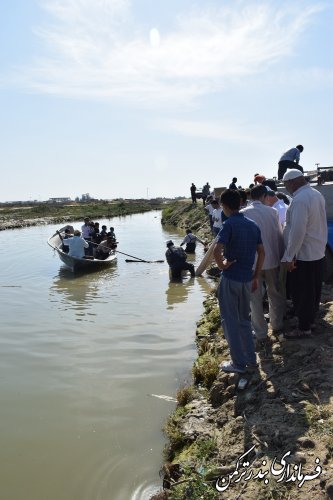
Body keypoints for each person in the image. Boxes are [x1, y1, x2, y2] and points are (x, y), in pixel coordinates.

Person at [213, 189, 265, 373]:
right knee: (244, 321)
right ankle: (251, 361)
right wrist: (256, 276)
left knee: (230, 322)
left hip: (231, 279)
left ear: (224, 206)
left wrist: (222, 266)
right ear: (240, 203)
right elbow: (262, 252)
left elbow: (216, 250)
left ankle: (238, 364)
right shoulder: (252, 225)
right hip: (246, 279)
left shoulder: (229, 224)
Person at [281, 169, 327, 339]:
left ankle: (304, 327)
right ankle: (310, 320)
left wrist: (289, 255)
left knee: (302, 292)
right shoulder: (316, 194)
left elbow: (298, 231)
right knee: (314, 290)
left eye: (286, 184)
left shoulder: (300, 200)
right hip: (317, 251)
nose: (286, 188)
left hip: (304, 253)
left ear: (292, 182)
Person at [241, 184, 285, 344]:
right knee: (275, 294)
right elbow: (279, 235)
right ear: (264, 196)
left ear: (250, 197)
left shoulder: (243, 213)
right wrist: (282, 256)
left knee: (255, 299)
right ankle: (277, 324)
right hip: (272, 260)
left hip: (253, 264)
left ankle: (260, 333)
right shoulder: (272, 212)